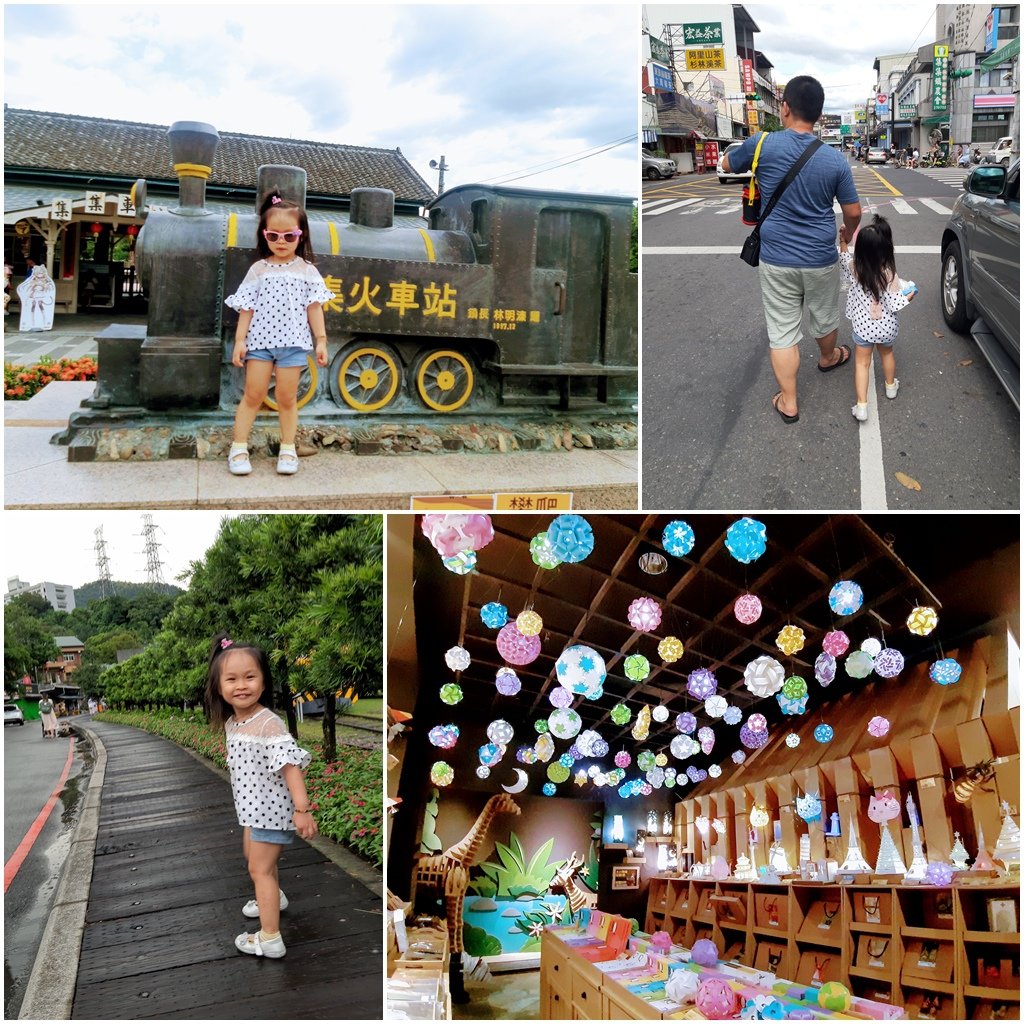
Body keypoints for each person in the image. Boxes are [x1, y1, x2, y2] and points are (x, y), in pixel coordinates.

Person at [723, 75, 862, 423]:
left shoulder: (761, 144)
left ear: (784, 108)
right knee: (825, 314)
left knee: (783, 330)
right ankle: (829, 358)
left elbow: (726, 166)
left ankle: (789, 401)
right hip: (820, 257)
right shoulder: (835, 161)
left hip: (776, 258)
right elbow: (855, 211)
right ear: (818, 114)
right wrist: (848, 230)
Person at [204, 634, 317, 959]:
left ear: (264, 681)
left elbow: (290, 766)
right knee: (257, 863)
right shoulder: (234, 722)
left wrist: (302, 809)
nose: (242, 685)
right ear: (219, 686)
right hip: (252, 812)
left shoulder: (269, 724)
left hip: (271, 812)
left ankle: (269, 938)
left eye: (250, 677)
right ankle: (273, 897)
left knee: (259, 870)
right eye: (232, 679)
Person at [223, 191, 333, 476]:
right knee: (253, 395)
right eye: (274, 236)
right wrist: (239, 341)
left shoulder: (307, 271)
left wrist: (321, 340)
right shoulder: (258, 269)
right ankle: (238, 448)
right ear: (264, 235)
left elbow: (314, 308)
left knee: (287, 398)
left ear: (301, 235)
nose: (281, 242)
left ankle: (287, 449)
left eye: (289, 236)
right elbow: (246, 308)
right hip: (259, 344)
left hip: (294, 345)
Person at [838, 215, 916, 424]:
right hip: (886, 328)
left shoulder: (856, 268)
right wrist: (910, 295)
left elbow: (845, 259)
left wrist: (843, 241)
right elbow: (895, 302)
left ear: (861, 250)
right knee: (887, 355)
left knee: (862, 364)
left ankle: (861, 406)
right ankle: (891, 386)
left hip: (863, 328)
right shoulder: (889, 274)